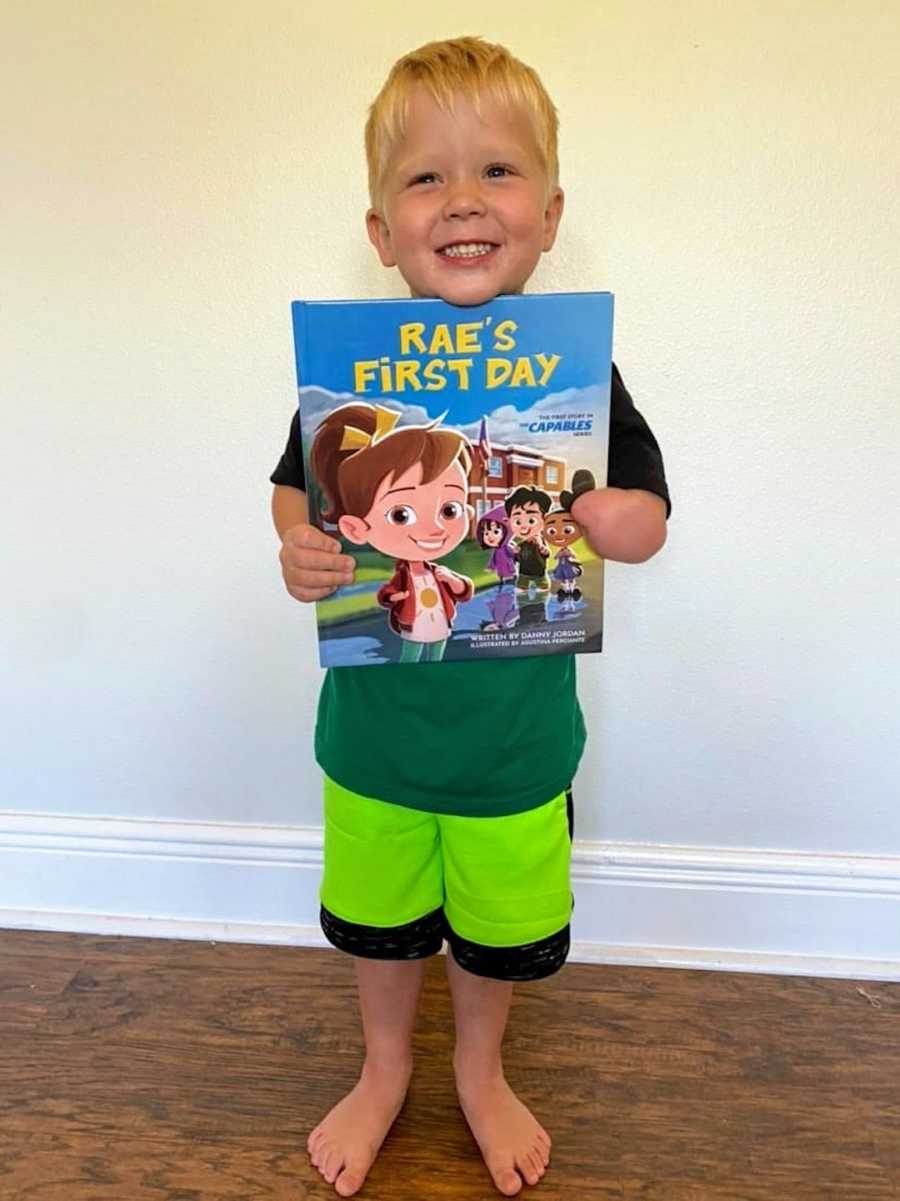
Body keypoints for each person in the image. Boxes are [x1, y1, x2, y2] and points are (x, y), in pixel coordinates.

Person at [270, 36, 670, 1198]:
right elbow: (296, 489)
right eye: (425, 178)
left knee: (497, 926)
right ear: (381, 230)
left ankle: (479, 1069)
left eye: (496, 172)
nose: (462, 201)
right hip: (376, 737)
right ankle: (385, 1063)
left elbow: (646, 520)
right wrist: (299, 550)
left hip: (513, 744)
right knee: (384, 925)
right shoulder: (347, 381)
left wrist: (609, 516)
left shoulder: (582, 378)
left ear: (548, 213)